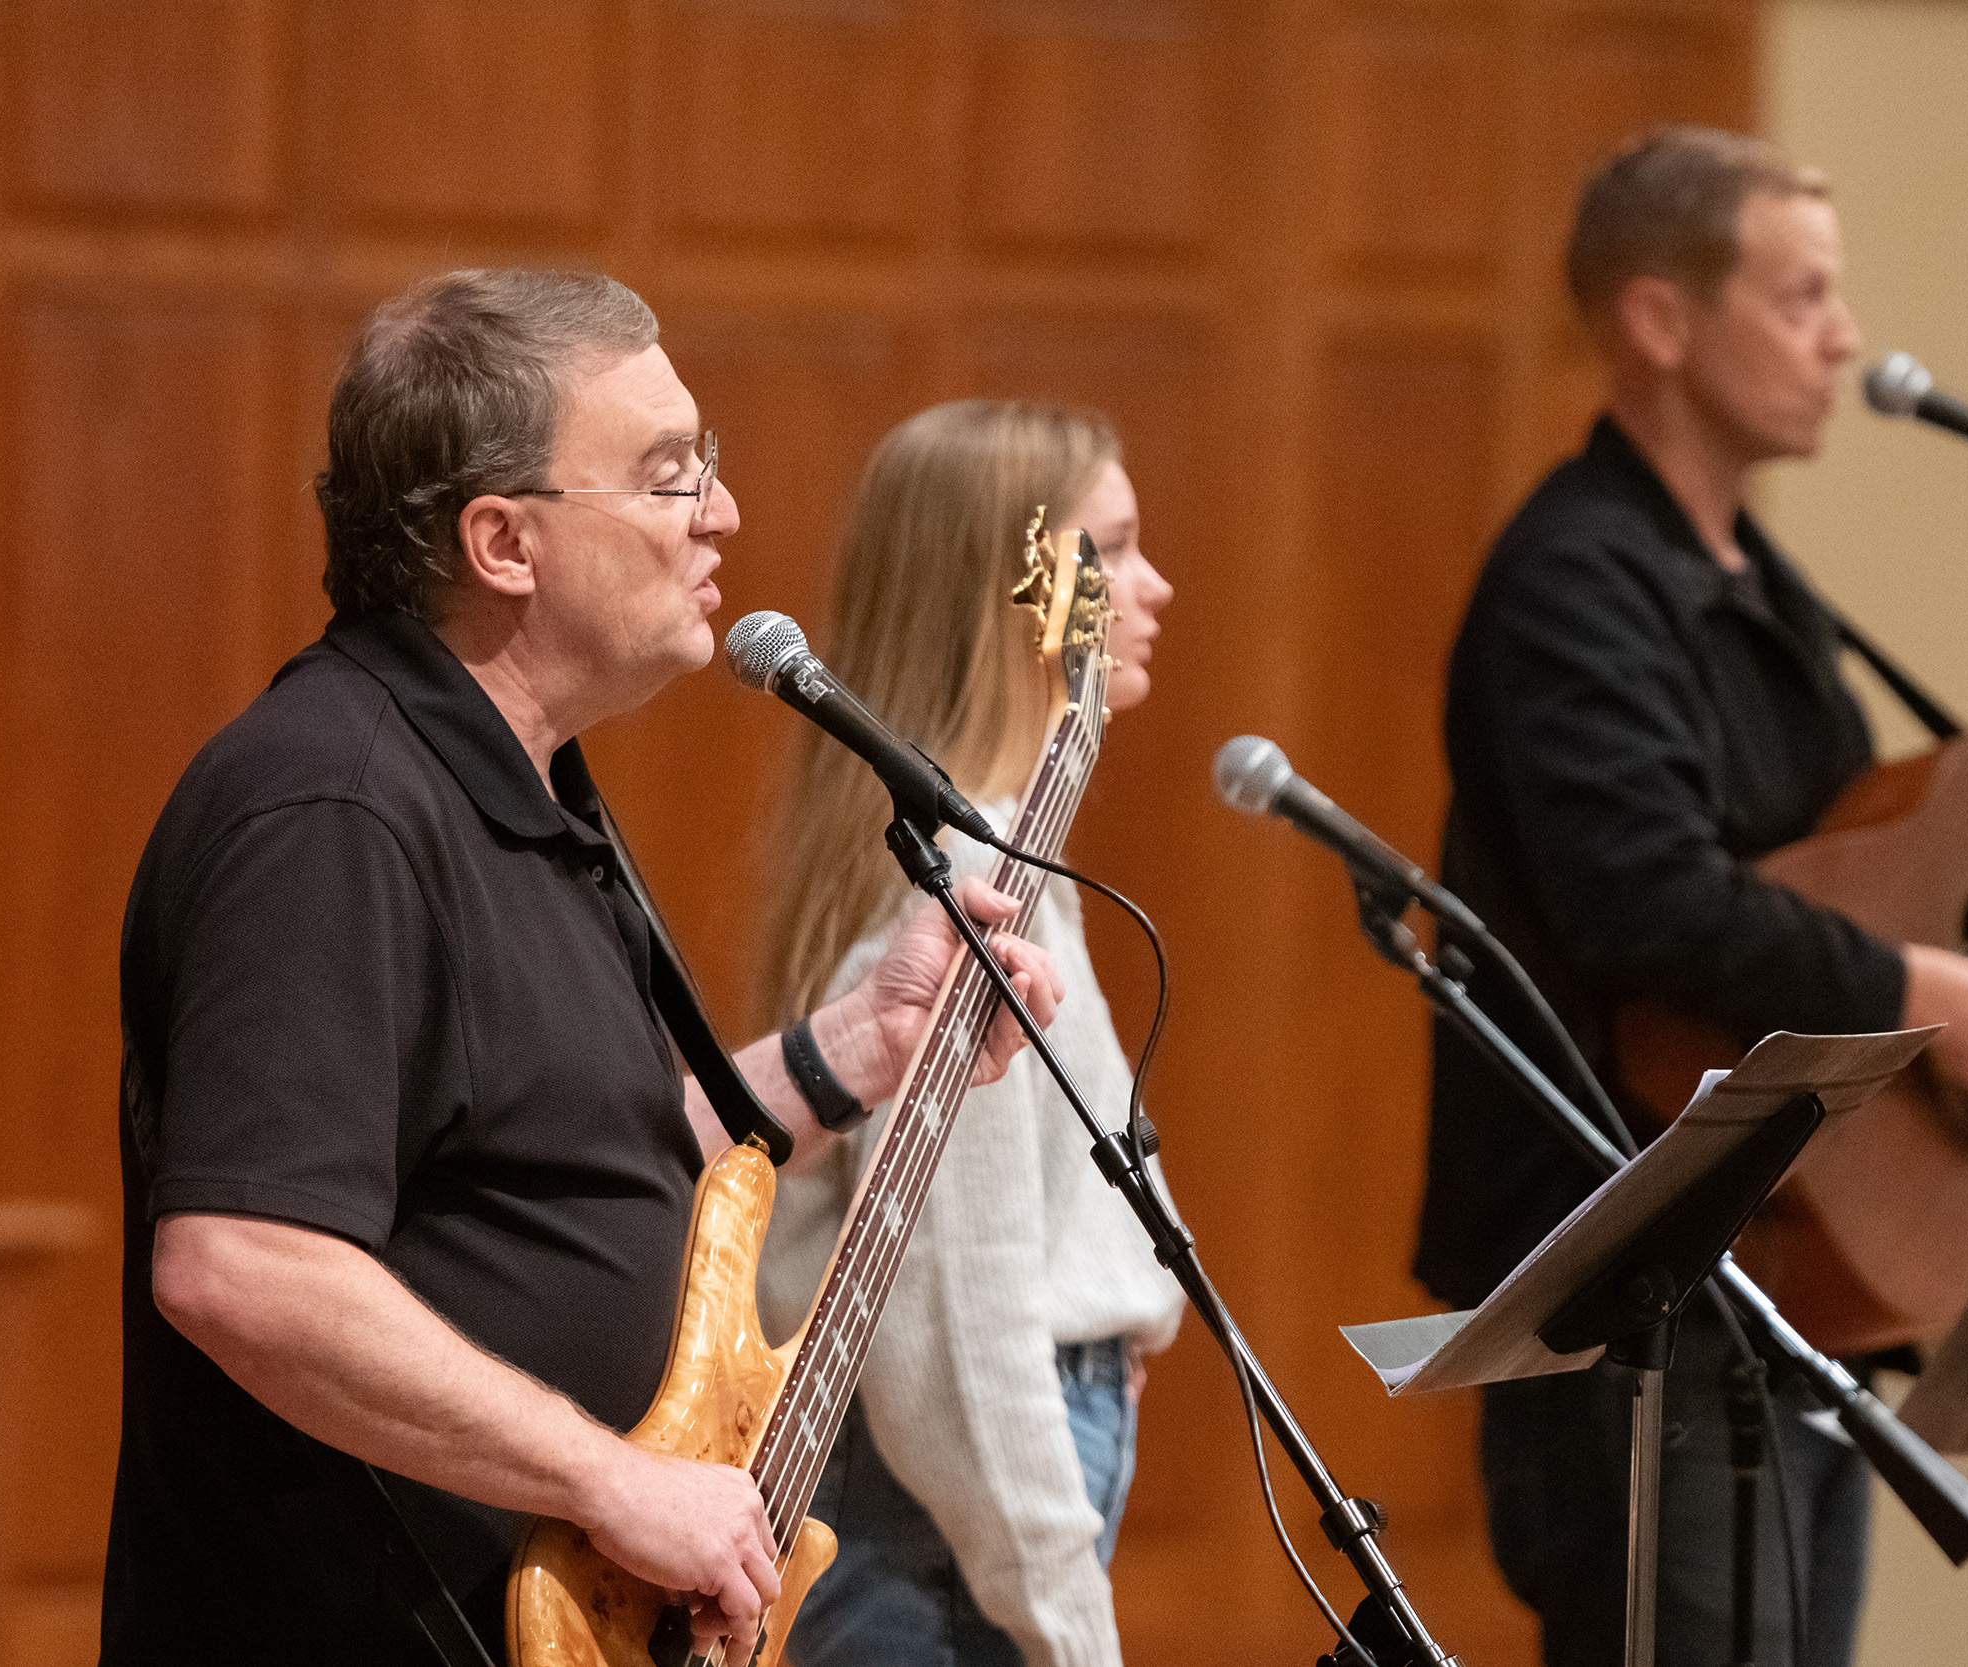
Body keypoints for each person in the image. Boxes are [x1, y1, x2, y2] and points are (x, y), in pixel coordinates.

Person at [1412, 128, 1968, 1667]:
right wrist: (1926, 993)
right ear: (1660, 319)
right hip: (1644, 1304)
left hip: (1791, 1286)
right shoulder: (1576, 580)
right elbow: (1648, 899)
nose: (1847, 338)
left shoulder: (1752, 581)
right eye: (1802, 297)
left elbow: (1875, 872)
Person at [101, 270, 1063, 1667]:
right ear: (503, 540)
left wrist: (857, 1042)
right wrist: (605, 1478)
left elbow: (570, 1160)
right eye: (671, 474)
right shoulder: (336, 806)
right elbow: (243, 1260)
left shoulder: (525, 789)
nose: (721, 513)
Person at [750, 400, 1186, 1667]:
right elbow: (952, 1323)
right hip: (943, 1528)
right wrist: (1070, 1619)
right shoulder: (955, 885)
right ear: (1025, 593)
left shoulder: (984, 847)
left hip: (953, 1509)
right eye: (1111, 550)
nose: (1149, 586)